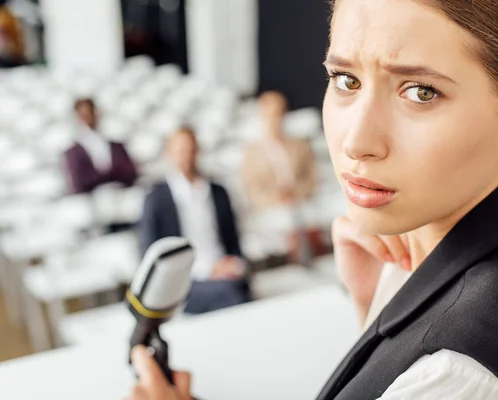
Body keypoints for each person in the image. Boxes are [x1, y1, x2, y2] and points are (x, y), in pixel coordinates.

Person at [127, 1, 498, 399]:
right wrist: (380, 308)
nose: (356, 142)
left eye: (421, 91)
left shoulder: (455, 374)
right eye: (346, 80)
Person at [139, 127, 250, 315]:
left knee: (235, 288)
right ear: (169, 154)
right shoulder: (156, 198)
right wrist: (209, 270)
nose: (186, 156)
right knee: (230, 294)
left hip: (226, 272)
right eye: (180, 151)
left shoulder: (218, 192)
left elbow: (233, 242)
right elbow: (152, 253)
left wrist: (234, 264)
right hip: (186, 281)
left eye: (190, 149)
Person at [242, 91, 319, 262]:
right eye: (268, 114)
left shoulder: (300, 145)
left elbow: (311, 178)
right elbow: (251, 188)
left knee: (303, 219)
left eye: (278, 113)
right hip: (271, 207)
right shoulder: (252, 152)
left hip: (301, 202)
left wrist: (296, 193)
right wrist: (276, 198)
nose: (273, 119)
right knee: (286, 223)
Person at [64, 98, 138, 194]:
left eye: (91, 113)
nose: (88, 118)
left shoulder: (116, 146)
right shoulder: (73, 153)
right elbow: (79, 183)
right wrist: (112, 175)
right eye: (83, 115)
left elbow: (130, 173)